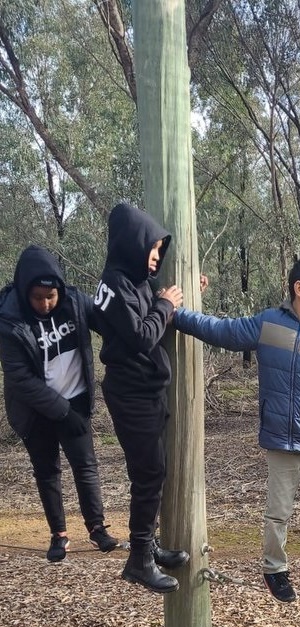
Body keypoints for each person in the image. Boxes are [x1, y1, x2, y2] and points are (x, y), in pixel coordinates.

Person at [173, 255, 300, 611]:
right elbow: (219, 330)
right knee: (277, 513)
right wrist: (174, 314)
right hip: (281, 443)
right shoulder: (267, 324)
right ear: (299, 289)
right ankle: (275, 569)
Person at [93, 202, 190, 594]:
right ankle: (139, 560)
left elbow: (151, 307)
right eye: (152, 250)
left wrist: (179, 293)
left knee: (154, 471)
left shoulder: (131, 281)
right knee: (148, 474)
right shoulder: (114, 285)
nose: (156, 259)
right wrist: (166, 305)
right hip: (131, 393)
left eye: (159, 253)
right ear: (133, 244)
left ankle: (147, 545)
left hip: (145, 390)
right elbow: (141, 336)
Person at [0, 245, 118, 561]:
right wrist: (62, 412)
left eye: (51, 296)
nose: (45, 303)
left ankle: (97, 529)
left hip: (75, 402)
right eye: (38, 297)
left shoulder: (75, 303)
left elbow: (112, 320)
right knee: (47, 471)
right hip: (35, 412)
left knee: (86, 466)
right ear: (25, 291)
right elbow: (20, 380)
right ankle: (59, 536)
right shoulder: (9, 321)